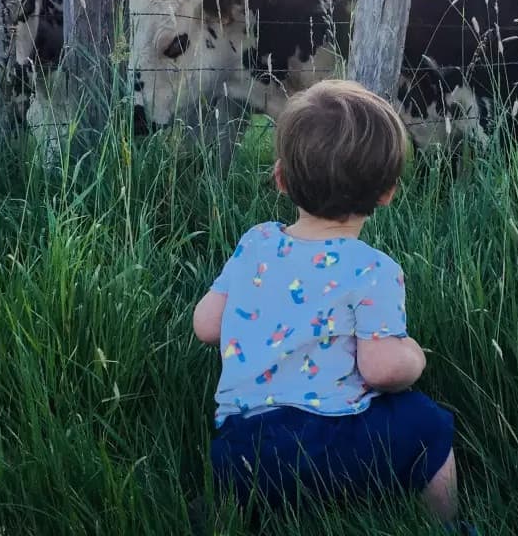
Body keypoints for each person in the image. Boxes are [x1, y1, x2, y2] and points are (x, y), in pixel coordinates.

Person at [191, 80, 471, 532]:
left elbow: (206, 325)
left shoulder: (256, 243)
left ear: (280, 178)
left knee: (238, 479)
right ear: (388, 192)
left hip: (243, 448)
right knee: (429, 423)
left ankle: (230, 509)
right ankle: (445, 524)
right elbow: (382, 370)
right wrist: (413, 355)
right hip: (337, 443)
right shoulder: (372, 269)